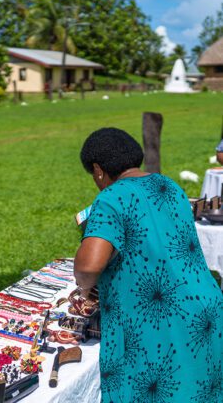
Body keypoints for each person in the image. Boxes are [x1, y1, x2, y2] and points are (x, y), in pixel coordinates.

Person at [75, 127, 223, 402]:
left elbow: (88, 267)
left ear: (97, 170)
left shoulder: (111, 197)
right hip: (205, 307)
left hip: (164, 321)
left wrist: (83, 290)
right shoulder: (169, 186)